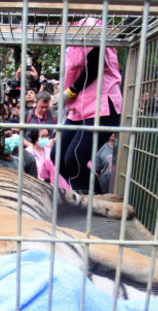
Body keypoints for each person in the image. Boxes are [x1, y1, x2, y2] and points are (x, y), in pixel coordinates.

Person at [50, 17, 122, 193]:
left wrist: (70, 93)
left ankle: (96, 206)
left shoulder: (88, 25)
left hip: (101, 106)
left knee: (74, 160)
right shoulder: (71, 33)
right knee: (57, 156)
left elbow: (96, 62)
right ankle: (83, 200)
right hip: (79, 109)